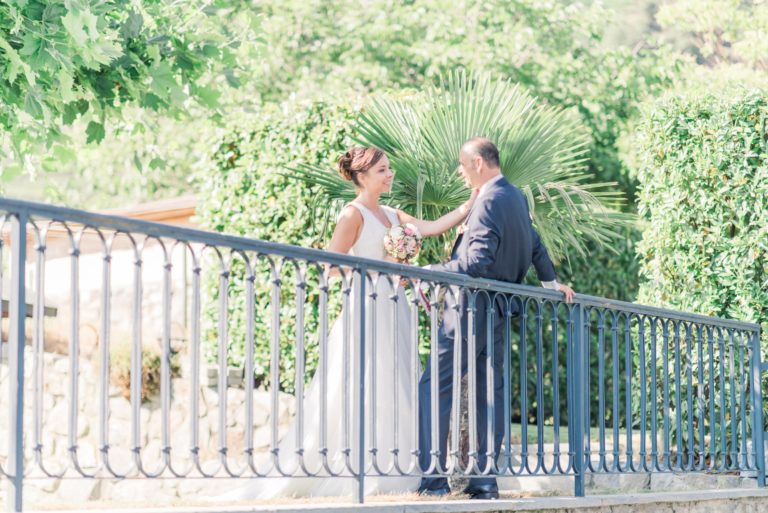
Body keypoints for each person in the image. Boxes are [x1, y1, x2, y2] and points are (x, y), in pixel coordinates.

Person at [222, 146, 476, 499]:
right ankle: (359, 464)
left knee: (395, 377)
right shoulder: (352, 214)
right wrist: (385, 266)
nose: (390, 175)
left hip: (394, 305)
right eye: (383, 170)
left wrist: (468, 206)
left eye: (389, 169)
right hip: (367, 304)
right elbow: (332, 265)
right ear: (362, 176)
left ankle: (397, 463)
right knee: (364, 379)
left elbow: (430, 228)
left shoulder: (390, 213)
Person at [417, 137, 575, 500]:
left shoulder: (488, 199)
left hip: (470, 308)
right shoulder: (514, 196)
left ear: (477, 162)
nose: (459, 171)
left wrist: (432, 269)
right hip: (500, 309)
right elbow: (534, 244)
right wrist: (551, 282)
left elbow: (476, 263)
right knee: (490, 393)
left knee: (434, 387)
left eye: (461, 164)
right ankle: (485, 483)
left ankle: (434, 480)